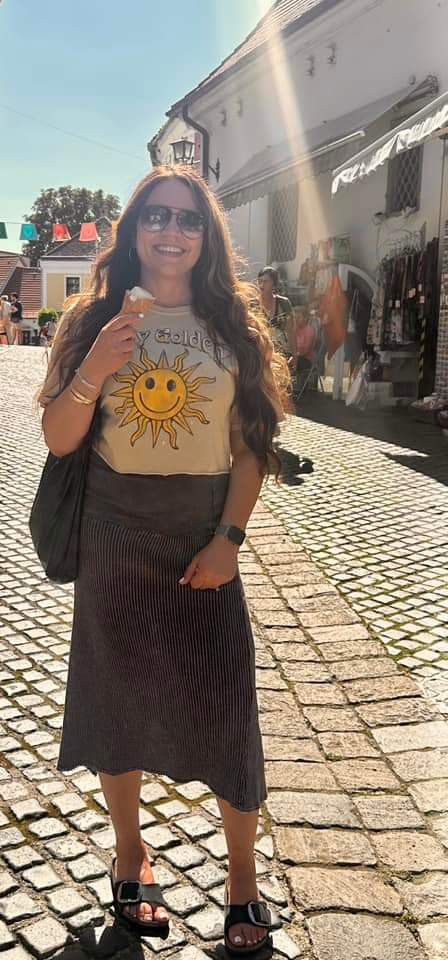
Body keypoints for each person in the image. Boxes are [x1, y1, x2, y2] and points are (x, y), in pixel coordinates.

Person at [38, 166, 287, 953]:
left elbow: (253, 449)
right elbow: (58, 439)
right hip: (115, 538)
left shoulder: (233, 325)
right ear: (134, 229)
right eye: (156, 217)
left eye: (186, 219)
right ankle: (129, 856)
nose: (171, 232)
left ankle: (241, 878)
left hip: (200, 541)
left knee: (226, 707)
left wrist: (229, 540)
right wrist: (95, 369)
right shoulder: (94, 317)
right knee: (118, 707)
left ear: (206, 235)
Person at [257, 266, 294, 363]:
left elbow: (291, 331)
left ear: (274, 284)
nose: (262, 284)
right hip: (260, 355)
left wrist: (294, 355)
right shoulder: (253, 304)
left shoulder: (283, 303)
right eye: (260, 281)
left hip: (281, 355)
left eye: (266, 281)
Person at [293, 307, 317, 397]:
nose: (296, 320)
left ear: (305, 318)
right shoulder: (294, 329)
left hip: (307, 360)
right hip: (296, 357)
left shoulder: (309, 331)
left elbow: (306, 351)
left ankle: (293, 388)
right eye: (295, 318)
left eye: (299, 317)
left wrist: (294, 354)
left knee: (287, 362)